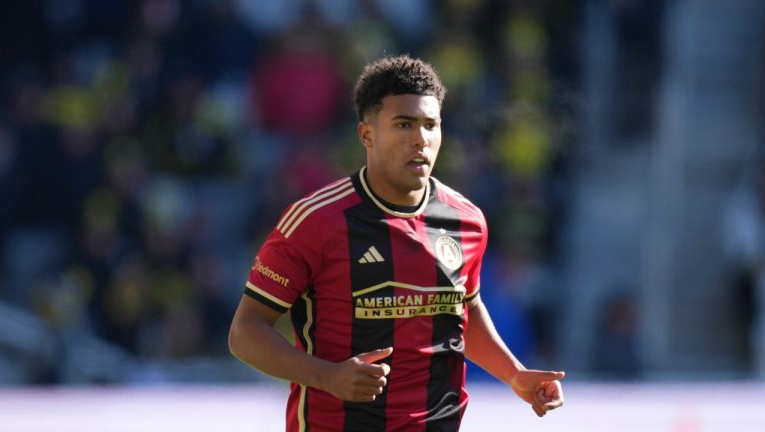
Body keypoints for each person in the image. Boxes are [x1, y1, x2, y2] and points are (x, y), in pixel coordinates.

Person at [228, 54, 565, 431]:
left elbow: (461, 313)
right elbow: (245, 333)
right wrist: (327, 376)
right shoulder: (315, 221)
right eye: (404, 124)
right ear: (367, 134)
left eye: (430, 125)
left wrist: (515, 374)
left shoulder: (466, 220)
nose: (420, 139)